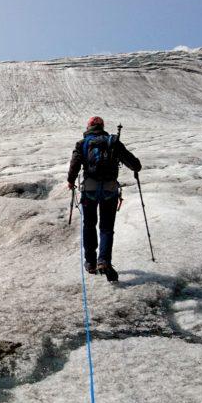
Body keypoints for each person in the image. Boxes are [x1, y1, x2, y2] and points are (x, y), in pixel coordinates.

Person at [67, 116, 141, 281]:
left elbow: (75, 164)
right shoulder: (113, 141)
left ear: (89, 126)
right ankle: (104, 261)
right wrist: (136, 167)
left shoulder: (83, 143)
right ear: (102, 126)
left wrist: (70, 181)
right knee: (106, 227)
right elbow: (134, 164)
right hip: (110, 188)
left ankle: (90, 263)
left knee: (89, 224)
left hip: (90, 188)